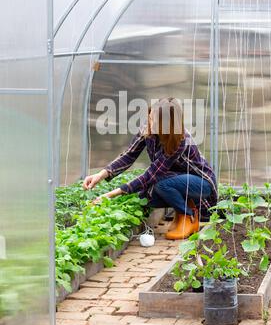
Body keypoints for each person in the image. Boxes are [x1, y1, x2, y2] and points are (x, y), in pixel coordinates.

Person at [83, 97, 217, 240]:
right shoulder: (148, 129)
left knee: (161, 185)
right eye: (150, 117)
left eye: (155, 120)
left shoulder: (179, 140)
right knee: (146, 197)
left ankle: (188, 216)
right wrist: (101, 174)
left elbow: (151, 175)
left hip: (201, 183)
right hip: (177, 179)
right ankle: (181, 212)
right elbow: (128, 155)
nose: (150, 122)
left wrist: (109, 195)